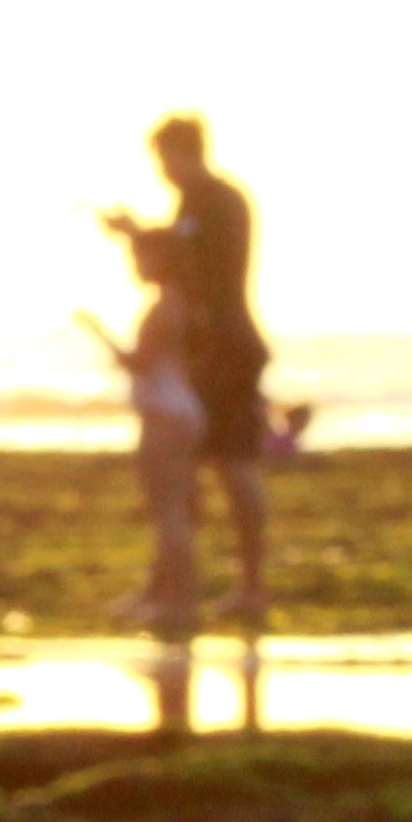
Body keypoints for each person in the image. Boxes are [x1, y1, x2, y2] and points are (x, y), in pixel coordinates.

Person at [100, 117, 278, 629]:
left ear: (184, 153)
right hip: (206, 352)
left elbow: (189, 263)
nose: (163, 173)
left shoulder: (218, 202)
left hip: (226, 351)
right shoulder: (198, 205)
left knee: (233, 466)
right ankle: (172, 586)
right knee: (187, 478)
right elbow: (181, 258)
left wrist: (137, 233)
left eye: (165, 161)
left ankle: (246, 586)